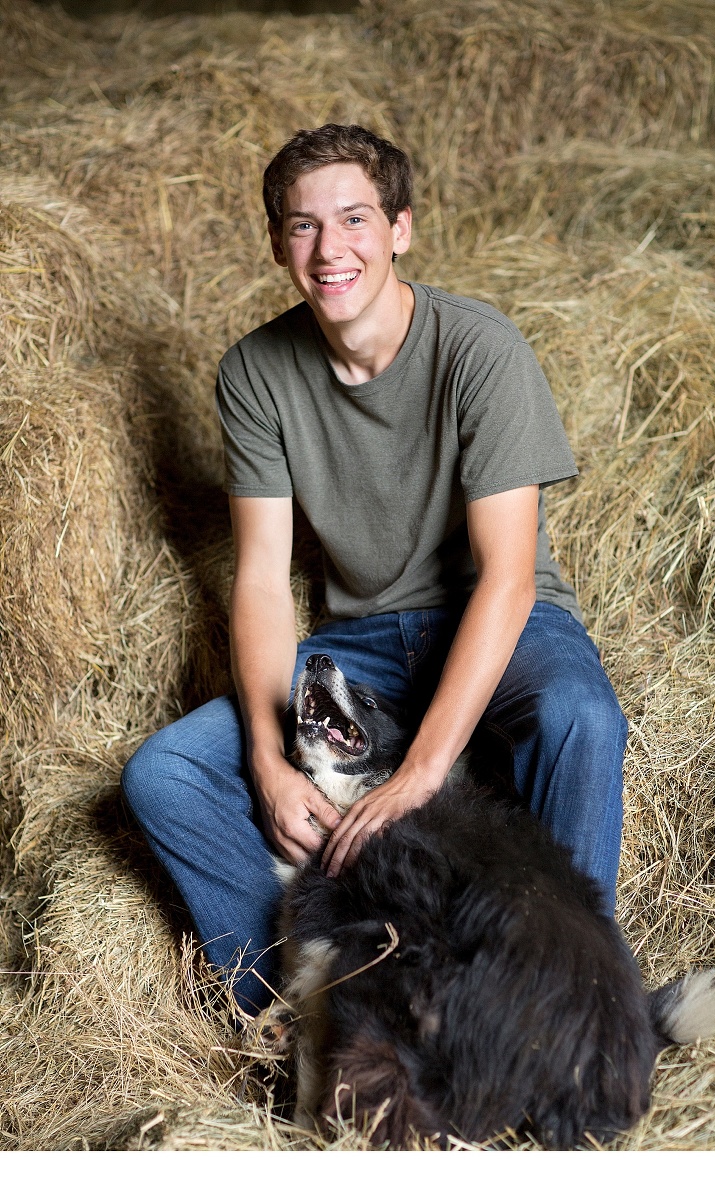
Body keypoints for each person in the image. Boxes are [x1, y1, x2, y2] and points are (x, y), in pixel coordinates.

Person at [122, 124, 627, 1016]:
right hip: (362, 642)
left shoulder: (481, 348)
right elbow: (260, 580)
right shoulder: (256, 372)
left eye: (353, 217)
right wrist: (269, 759)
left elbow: (509, 576)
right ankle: (320, 1012)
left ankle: (559, 1003)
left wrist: (421, 772)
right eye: (303, 225)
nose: (329, 248)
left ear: (400, 228)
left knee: (578, 716)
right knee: (163, 772)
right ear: (279, 243)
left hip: (499, 618)